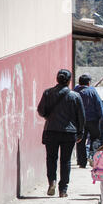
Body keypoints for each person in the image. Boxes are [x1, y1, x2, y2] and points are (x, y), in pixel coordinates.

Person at [37, 69, 85, 197]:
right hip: (69, 133)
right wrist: (80, 133)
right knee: (66, 161)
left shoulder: (47, 93)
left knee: (51, 158)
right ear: (69, 80)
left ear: (57, 79)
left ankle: (52, 181)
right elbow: (81, 116)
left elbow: (41, 111)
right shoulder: (75, 96)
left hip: (51, 131)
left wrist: (49, 115)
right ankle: (63, 189)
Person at [74, 74, 103, 168]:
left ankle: (81, 161)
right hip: (92, 120)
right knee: (95, 139)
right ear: (88, 82)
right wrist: (100, 117)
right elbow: (99, 104)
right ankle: (92, 156)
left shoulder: (75, 91)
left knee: (80, 140)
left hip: (79, 121)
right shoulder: (92, 91)